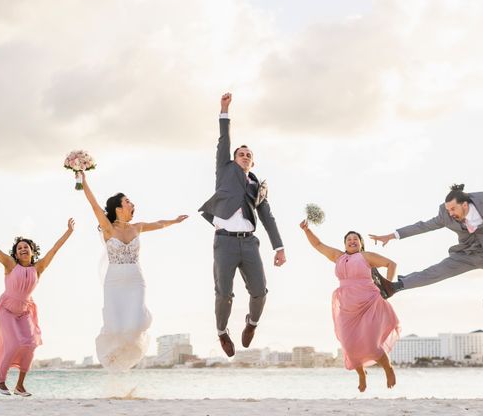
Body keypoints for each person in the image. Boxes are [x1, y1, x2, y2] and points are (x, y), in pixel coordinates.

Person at [199, 93, 286, 357]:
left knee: (259, 291)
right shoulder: (224, 171)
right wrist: (224, 110)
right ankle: (223, 332)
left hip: (249, 243)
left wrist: (278, 247)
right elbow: (224, 141)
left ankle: (252, 323)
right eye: (241, 153)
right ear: (233, 159)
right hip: (224, 242)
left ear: (252, 161)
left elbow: (268, 218)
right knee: (223, 293)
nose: (245, 156)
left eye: (248, 155)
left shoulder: (257, 188)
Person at [79, 170, 187, 371]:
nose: (132, 204)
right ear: (118, 207)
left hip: (136, 280)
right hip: (114, 281)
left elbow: (159, 224)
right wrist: (83, 181)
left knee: (135, 324)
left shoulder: (137, 227)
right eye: (128, 201)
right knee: (115, 325)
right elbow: (93, 205)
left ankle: (128, 356)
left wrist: (174, 221)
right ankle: (111, 357)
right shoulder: (107, 228)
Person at [0, 218, 75, 396]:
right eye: (19, 248)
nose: (23, 249)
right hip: (6, 310)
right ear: (15, 254)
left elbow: (55, 249)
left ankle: (20, 385)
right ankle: (0, 381)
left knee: (30, 344)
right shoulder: (10, 264)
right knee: (14, 343)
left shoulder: (39, 268)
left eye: (26, 247)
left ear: (32, 252)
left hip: (24, 311)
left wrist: (68, 232)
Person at [300, 220, 399, 392]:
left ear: (360, 244)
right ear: (345, 244)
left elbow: (391, 264)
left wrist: (387, 288)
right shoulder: (338, 257)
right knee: (348, 346)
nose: (352, 241)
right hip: (347, 308)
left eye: (356, 239)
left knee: (371, 344)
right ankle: (361, 374)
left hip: (369, 303)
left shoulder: (366, 256)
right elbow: (318, 244)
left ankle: (388, 368)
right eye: (349, 239)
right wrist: (307, 230)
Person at [369, 184, 483, 298]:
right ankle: (394, 287)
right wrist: (393, 235)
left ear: (464, 205)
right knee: (434, 273)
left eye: (453, 209)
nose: (450, 213)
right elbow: (423, 226)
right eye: (448, 210)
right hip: (464, 255)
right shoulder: (445, 215)